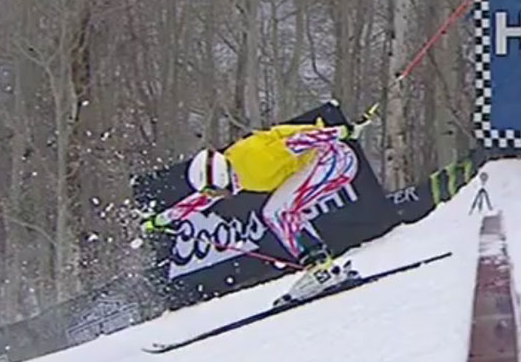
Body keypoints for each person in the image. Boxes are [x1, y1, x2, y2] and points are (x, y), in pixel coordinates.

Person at [142, 110, 374, 304]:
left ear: (220, 178)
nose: (215, 196)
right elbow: (201, 200)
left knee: (278, 211)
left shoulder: (253, 158)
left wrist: (343, 132)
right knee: (277, 211)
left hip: (333, 159)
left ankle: (320, 269)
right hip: (321, 161)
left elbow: (296, 142)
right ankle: (321, 267)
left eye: (213, 190)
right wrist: (161, 220)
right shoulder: (234, 172)